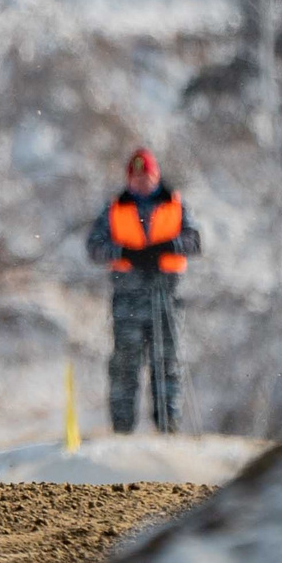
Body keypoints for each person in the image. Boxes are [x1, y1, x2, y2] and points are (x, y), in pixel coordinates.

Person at [84, 147, 200, 433]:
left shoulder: (175, 204)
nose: (141, 182)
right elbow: (94, 247)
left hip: (166, 295)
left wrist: (167, 247)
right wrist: (124, 252)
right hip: (128, 299)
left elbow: (194, 240)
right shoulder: (114, 208)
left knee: (167, 363)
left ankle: (168, 427)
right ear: (128, 179)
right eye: (135, 178)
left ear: (155, 175)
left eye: (145, 177)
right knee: (125, 364)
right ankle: (122, 429)